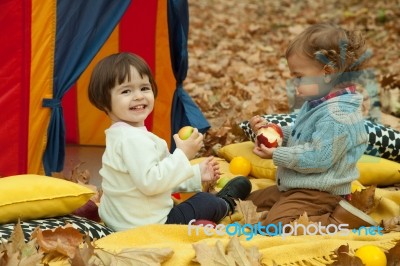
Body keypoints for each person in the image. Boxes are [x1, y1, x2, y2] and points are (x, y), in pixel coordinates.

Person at [88, 52, 251, 232]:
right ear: (104, 102)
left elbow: (161, 176)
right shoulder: (133, 140)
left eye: (144, 88)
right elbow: (152, 183)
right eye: (126, 91)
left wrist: (196, 174)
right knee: (206, 202)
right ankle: (226, 202)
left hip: (121, 221)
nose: (138, 96)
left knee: (185, 198)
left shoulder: (118, 135)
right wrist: (182, 154)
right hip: (149, 226)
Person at [247, 22, 377, 231]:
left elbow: (318, 157)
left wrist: (277, 154)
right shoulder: (317, 102)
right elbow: (304, 135)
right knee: (249, 203)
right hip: (298, 185)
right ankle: (278, 208)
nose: (294, 84)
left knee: (275, 226)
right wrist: (274, 131)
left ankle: (338, 221)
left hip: (321, 194)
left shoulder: (338, 116)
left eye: (298, 77)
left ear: (327, 73)